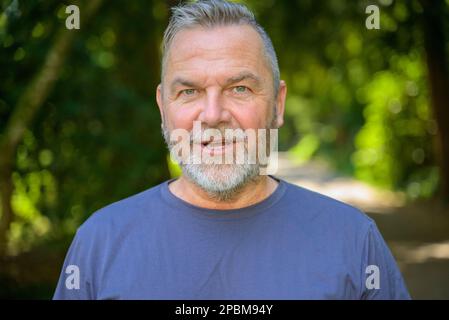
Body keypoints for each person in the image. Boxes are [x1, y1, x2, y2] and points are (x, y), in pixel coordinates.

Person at [53, 0, 410, 299]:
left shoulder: (353, 241)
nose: (213, 116)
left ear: (278, 104)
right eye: (189, 91)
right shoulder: (99, 244)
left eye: (239, 88)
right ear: (163, 108)